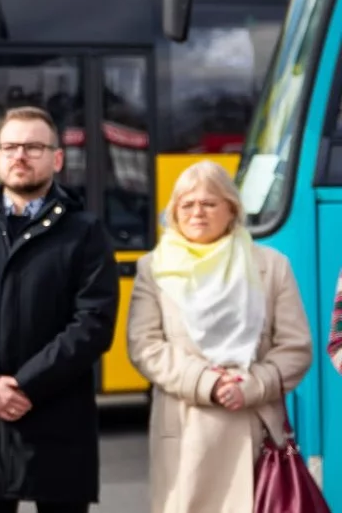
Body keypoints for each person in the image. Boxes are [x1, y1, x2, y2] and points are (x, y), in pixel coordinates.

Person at [0, 105, 119, 513]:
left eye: (33, 146)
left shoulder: (85, 232)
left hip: (58, 416)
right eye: (10, 146)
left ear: (57, 158)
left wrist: (26, 384)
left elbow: (94, 322)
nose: (20, 155)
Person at [127, 160, 313, 513]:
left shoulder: (272, 265)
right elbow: (144, 345)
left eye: (209, 203)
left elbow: (297, 347)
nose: (197, 212)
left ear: (232, 210)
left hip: (256, 424)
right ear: (175, 213)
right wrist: (205, 382)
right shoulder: (154, 268)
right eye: (187, 204)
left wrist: (252, 386)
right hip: (186, 429)